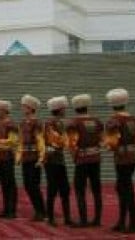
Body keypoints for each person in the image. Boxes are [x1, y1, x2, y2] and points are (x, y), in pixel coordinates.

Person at [103, 87, 135, 234]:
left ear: (112, 105)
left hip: (121, 158)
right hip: (132, 157)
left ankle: (131, 223)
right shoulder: (133, 119)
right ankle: (123, 221)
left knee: (125, 189)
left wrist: (105, 144)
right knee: (124, 188)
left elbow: (112, 143)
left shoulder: (114, 121)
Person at [67, 93, 103, 227]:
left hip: (82, 159)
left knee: (80, 189)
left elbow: (72, 144)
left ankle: (83, 219)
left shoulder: (74, 123)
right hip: (96, 157)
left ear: (75, 108)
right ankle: (97, 219)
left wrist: (74, 157)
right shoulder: (97, 121)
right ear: (88, 106)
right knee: (96, 189)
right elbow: (102, 139)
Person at [44, 95, 76, 227]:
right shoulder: (51, 123)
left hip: (59, 159)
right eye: (64, 108)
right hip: (52, 160)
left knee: (64, 189)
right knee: (53, 189)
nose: (65, 110)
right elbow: (56, 141)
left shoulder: (60, 123)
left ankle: (67, 217)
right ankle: (51, 217)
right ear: (59, 109)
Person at [17, 94, 47, 222]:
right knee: (27, 184)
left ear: (30, 108)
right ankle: (38, 210)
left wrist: (41, 158)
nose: (22, 108)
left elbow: (41, 141)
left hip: (34, 156)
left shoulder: (37, 123)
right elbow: (20, 141)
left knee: (33, 185)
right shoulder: (23, 123)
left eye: (24, 106)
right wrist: (19, 156)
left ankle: (41, 211)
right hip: (26, 156)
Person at [0, 99, 20, 218]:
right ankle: (6, 208)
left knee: (10, 183)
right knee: (4, 183)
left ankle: (12, 210)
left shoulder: (11, 124)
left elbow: (13, 141)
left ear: (5, 110)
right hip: (0, 156)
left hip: (8, 156)